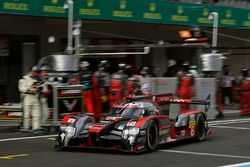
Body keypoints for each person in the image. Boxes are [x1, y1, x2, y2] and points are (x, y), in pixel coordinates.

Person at [18, 66, 42, 134]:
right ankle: (26, 127)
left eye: (37, 72)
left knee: (37, 114)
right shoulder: (24, 79)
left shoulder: (38, 79)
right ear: (30, 71)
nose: (35, 73)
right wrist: (30, 87)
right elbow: (21, 89)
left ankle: (36, 128)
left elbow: (41, 89)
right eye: (34, 72)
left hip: (35, 97)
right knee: (26, 114)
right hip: (27, 97)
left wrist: (39, 87)